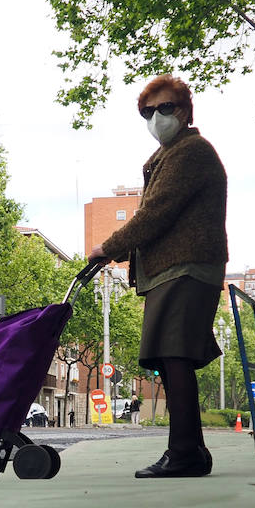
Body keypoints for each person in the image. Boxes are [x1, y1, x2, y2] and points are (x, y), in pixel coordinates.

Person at [90, 74, 227, 479]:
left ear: (184, 111)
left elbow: (156, 213)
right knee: (172, 361)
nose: (156, 117)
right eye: (148, 112)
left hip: (186, 268)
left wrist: (108, 247)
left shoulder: (191, 152)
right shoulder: (172, 155)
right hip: (174, 270)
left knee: (175, 357)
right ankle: (192, 452)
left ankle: (184, 453)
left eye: (165, 108)